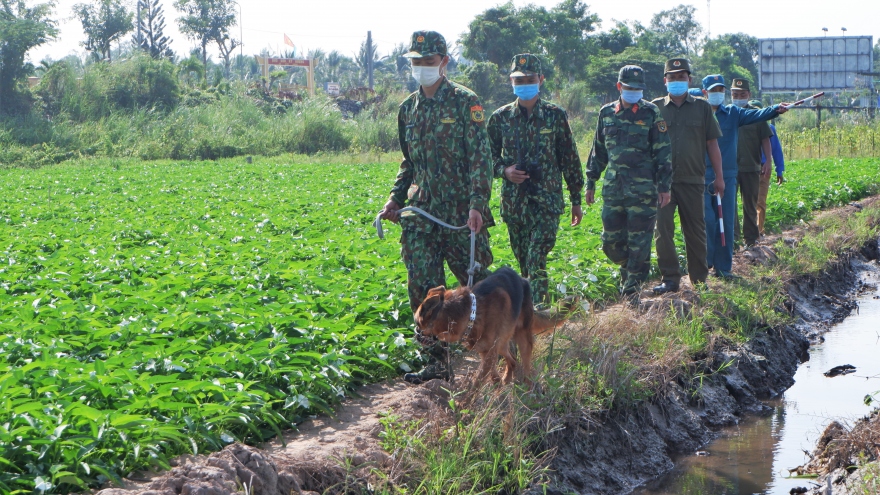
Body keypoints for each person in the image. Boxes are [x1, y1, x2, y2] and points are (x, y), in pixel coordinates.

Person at [378, 30, 494, 384]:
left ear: (444, 62)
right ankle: (436, 363)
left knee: (476, 284)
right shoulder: (407, 109)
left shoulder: (465, 102)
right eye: (416, 61)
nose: (422, 67)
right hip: (422, 215)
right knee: (424, 289)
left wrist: (477, 204)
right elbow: (408, 163)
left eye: (429, 61)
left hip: (461, 215)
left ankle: (501, 340)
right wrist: (396, 198)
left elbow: (481, 159)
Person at [487, 54, 584, 308]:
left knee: (536, 256)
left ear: (541, 80)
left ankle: (539, 311)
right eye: (519, 79)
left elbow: (570, 159)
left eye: (530, 79)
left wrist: (576, 199)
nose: (525, 83)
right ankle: (528, 313)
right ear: (511, 81)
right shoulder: (500, 118)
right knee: (523, 263)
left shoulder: (555, 116)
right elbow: (487, 158)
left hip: (546, 202)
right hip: (514, 203)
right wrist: (504, 171)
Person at [586, 65, 672, 296]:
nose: (634, 91)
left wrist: (664, 187)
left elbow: (663, 152)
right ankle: (631, 268)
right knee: (611, 243)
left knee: (640, 241)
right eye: (629, 87)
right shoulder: (606, 114)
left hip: (643, 190)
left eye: (638, 88)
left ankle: (631, 291)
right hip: (614, 189)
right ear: (619, 87)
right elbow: (598, 151)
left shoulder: (651, 113)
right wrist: (591, 181)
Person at [700, 74, 789, 278]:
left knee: (727, 219)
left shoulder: (733, 112)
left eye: (720, 90)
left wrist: (776, 109)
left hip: (728, 174)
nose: (717, 94)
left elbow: (758, 116)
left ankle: (723, 267)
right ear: (705, 93)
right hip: (702, 174)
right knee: (707, 219)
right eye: (713, 91)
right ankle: (706, 262)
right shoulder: (698, 112)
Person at [651, 58, 724, 295]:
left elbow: (712, 144)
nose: (676, 81)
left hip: (693, 180)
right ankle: (670, 279)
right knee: (663, 231)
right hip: (663, 183)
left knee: (695, 230)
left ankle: (699, 279)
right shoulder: (654, 108)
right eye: (672, 77)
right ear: (665, 81)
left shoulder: (702, 108)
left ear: (689, 79)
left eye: (681, 77)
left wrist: (720, 178)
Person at [731, 79, 772, 248]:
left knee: (750, 204)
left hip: (751, 166)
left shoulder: (757, 115)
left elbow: (765, 139)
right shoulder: (726, 113)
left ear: (749, 95)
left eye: (742, 94)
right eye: (735, 94)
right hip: (729, 168)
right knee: (730, 206)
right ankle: (732, 241)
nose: (738, 97)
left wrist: (768, 160)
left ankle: (750, 239)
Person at [753, 99, 786, 237]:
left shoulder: (769, 129)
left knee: (760, 201)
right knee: (750, 203)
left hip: (763, 168)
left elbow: (776, 151)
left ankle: (758, 230)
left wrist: (779, 170)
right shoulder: (743, 127)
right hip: (746, 168)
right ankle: (750, 231)